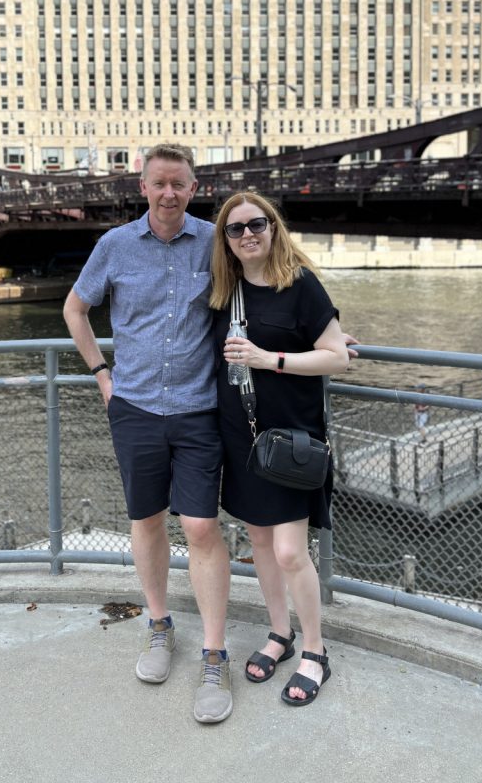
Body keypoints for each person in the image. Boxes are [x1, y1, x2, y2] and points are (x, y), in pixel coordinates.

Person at [63, 143, 233, 724]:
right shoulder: (113, 246)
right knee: (146, 521)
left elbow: (275, 279)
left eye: (178, 184)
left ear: (192, 187)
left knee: (202, 525)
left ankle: (215, 652)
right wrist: (101, 375)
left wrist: (328, 332)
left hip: (199, 408)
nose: (168, 194)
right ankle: (159, 626)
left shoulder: (217, 241)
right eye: (158, 183)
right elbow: (75, 310)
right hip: (133, 407)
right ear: (142, 188)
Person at [209, 191, 350, 707]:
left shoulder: (301, 284)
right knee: (262, 546)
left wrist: (273, 358)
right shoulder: (225, 293)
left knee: (291, 551)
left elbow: (336, 357)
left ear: (273, 228)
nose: (248, 234)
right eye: (235, 228)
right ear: (224, 240)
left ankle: (315, 649)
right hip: (242, 440)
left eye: (257, 224)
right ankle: (279, 632)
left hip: (290, 441)